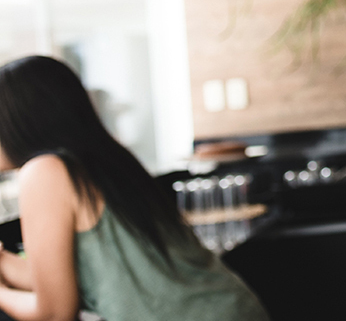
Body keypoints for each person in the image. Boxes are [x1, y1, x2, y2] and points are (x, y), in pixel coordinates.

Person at [0, 55, 269, 321]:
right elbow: (61, 279)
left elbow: (54, 313)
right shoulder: (108, 160)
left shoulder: (43, 171)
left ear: (18, 121)